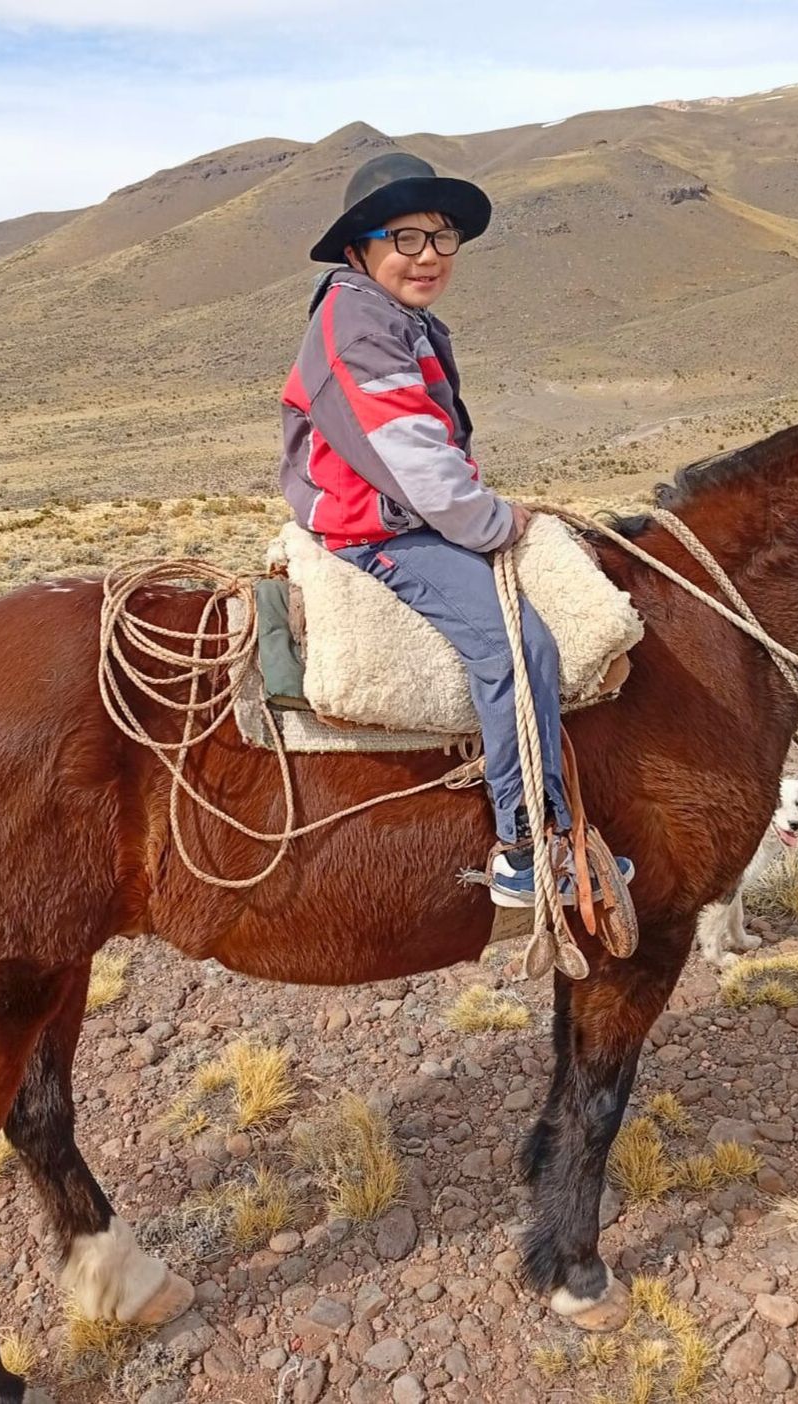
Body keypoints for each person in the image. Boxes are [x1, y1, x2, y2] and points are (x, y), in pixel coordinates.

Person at [279, 151, 631, 907]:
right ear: (359, 249)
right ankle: (528, 846)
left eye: (441, 238)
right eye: (404, 238)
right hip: (378, 530)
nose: (429, 255)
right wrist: (491, 521)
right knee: (515, 643)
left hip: (403, 513)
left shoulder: (395, 316)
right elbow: (411, 455)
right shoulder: (359, 322)